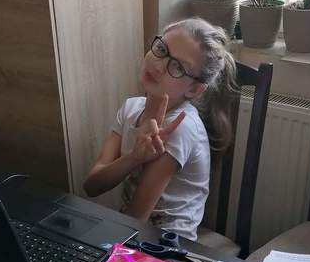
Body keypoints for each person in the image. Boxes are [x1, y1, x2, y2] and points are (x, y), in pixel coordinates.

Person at [83, 17, 238, 241]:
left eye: (177, 67)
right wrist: (134, 158)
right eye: (162, 49)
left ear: (194, 89)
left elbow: (137, 216)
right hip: (132, 232)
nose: (158, 65)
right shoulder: (130, 109)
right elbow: (92, 186)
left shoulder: (180, 128)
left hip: (168, 246)